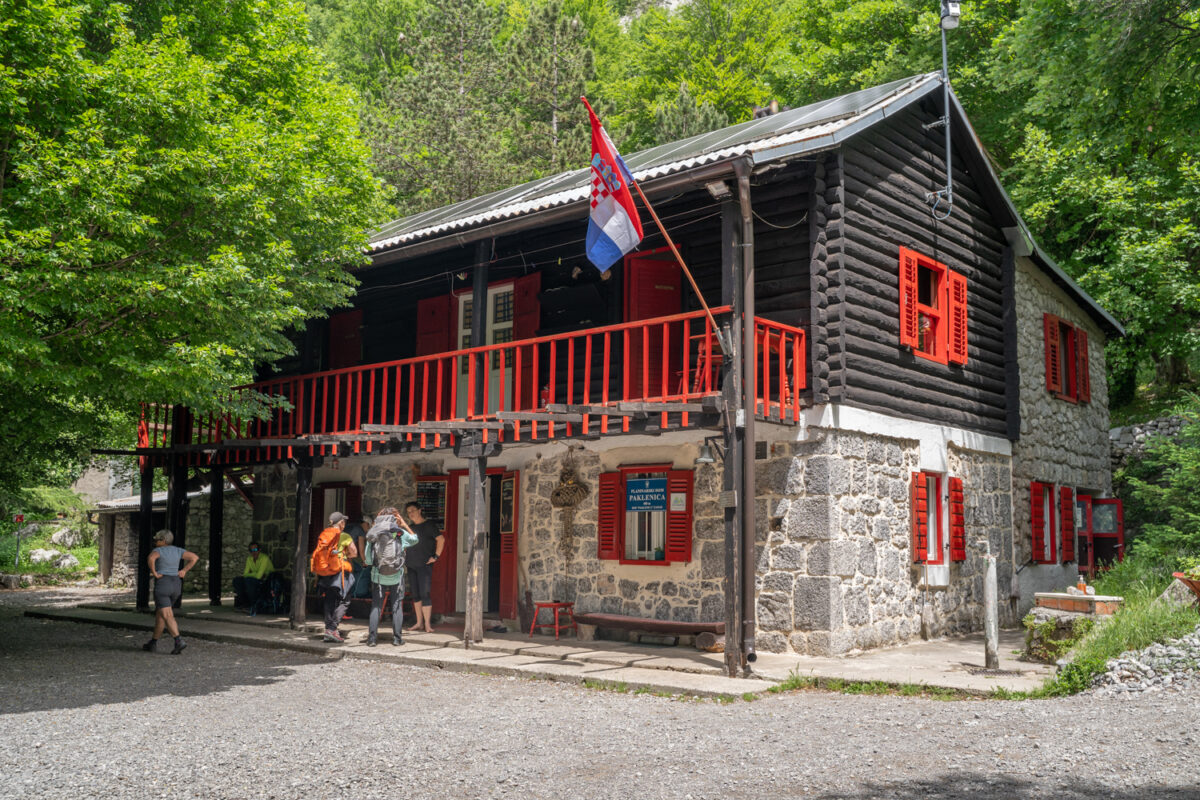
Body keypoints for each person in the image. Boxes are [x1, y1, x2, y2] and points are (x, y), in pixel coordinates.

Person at [363, 507, 418, 646]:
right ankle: (397, 638)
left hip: (378, 576)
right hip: (396, 576)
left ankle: (372, 639)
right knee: (396, 605)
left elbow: (368, 561)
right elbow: (415, 539)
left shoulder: (373, 535)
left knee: (376, 606)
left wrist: (374, 526)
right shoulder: (399, 533)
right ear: (394, 519)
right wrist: (404, 524)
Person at [142, 530, 199, 654]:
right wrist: (184, 570)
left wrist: (154, 573)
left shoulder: (159, 551)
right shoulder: (178, 550)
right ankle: (153, 642)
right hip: (176, 585)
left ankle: (178, 641)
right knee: (161, 614)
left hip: (163, 584)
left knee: (167, 615)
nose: (155, 541)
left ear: (163, 540)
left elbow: (151, 558)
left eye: (157, 539)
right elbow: (194, 558)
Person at [312, 511, 357, 643]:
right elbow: (354, 553)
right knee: (345, 600)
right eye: (344, 521)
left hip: (325, 572)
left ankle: (328, 631)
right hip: (339, 571)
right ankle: (332, 628)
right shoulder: (344, 535)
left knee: (329, 600)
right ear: (341, 523)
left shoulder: (324, 535)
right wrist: (345, 554)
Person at [404, 500, 443, 634]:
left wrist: (436, 556)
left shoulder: (429, 525)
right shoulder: (410, 528)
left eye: (413, 511)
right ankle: (419, 622)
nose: (411, 514)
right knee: (415, 594)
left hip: (424, 565)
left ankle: (427, 624)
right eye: (408, 512)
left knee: (425, 593)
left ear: (420, 510)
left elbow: (441, 540)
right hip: (411, 564)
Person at [232, 541, 274, 612]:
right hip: (256, 579)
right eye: (251, 550)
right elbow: (245, 574)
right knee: (237, 580)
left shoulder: (264, 558)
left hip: (266, 581)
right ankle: (245, 604)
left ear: (259, 550)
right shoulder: (249, 559)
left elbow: (259, 576)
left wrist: (252, 574)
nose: (253, 552)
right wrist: (255, 573)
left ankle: (253, 605)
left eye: (255, 550)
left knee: (249, 581)